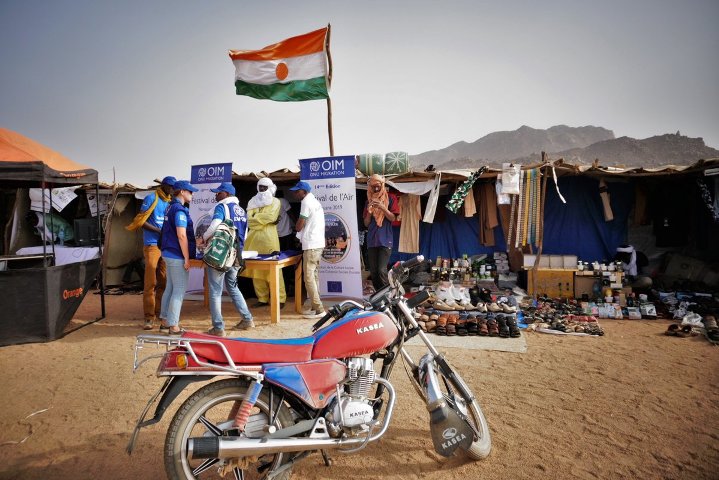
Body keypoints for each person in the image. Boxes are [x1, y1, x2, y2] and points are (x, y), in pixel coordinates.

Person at [199, 182, 254, 336]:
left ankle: (218, 328)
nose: (216, 195)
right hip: (237, 255)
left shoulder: (222, 207)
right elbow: (246, 233)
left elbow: (215, 224)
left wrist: (204, 237)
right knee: (233, 286)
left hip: (221, 255)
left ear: (226, 194)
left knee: (215, 290)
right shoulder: (242, 211)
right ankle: (247, 319)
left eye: (218, 193)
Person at [125, 175, 176, 330]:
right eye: (172, 187)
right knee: (150, 282)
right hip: (152, 245)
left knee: (164, 282)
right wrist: (159, 232)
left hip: (165, 246)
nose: (173, 190)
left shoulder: (169, 201)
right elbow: (141, 221)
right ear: (165, 186)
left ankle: (160, 313)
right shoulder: (151, 198)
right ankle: (149, 317)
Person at [158, 180, 198, 335]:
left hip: (168, 253)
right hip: (176, 255)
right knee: (179, 290)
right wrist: (187, 259)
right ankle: (173, 326)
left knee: (171, 288)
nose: (192, 195)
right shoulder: (179, 210)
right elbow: (181, 236)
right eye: (190, 192)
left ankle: (164, 322)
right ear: (182, 191)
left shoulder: (170, 208)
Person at [243, 177, 286, 308]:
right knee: (256, 269)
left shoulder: (275, 201)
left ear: (270, 187)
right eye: (260, 186)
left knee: (274, 269)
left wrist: (256, 219)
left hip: (269, 239)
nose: (262, 189)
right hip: (253, 239)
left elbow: (271, 217)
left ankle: (280, 299)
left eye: (264, 187)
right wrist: (263, 221)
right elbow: (248, 220)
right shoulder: (252, 201)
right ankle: (262, 298)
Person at [291, 181, 326, 318]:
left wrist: (297, 228)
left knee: (309, 278)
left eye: (297, 191)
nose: (295, 193)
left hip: (311, 244)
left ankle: (319, 309)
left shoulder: (306, 202)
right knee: (314, 276)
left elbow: (300, 225)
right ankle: (314, 306)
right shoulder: (315, 202)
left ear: (304, 192)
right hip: (317, 243)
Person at [363, 174, 399, 291]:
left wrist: (383, 207)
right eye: (373, 187)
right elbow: (366, 224)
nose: (376, 189)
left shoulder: (391, 198)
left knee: (381, 270)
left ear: (382, 185)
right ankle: (379, 294)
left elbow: (393, 218)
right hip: (372, 240)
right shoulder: (368, 201)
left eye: (378, 186)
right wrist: (369, 210)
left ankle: (387, 293)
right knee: (373, 271)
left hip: (385, 239)